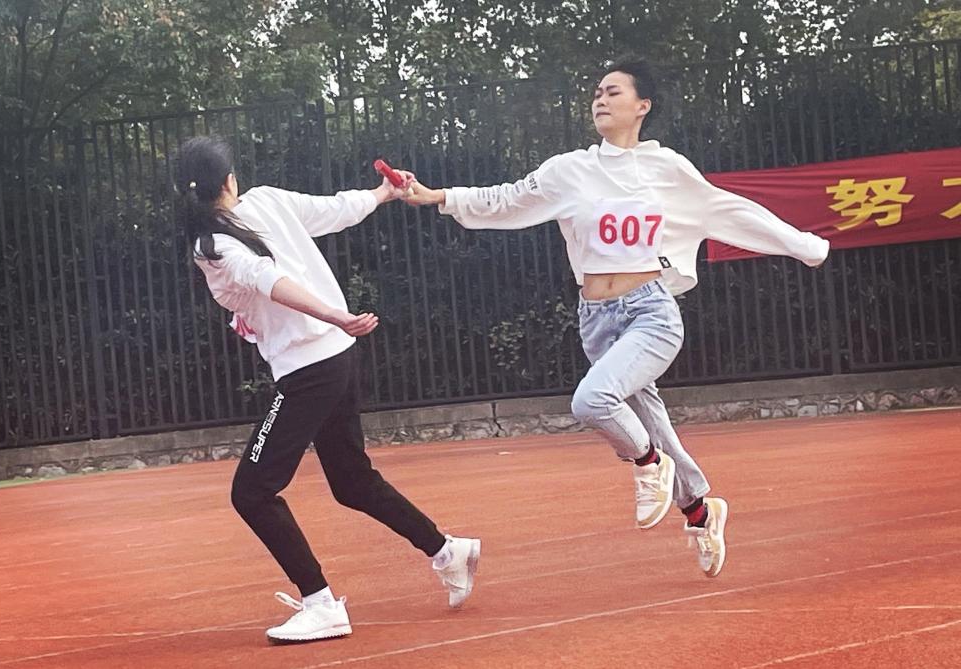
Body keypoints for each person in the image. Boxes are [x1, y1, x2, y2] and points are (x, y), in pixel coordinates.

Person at [403, 61, 829, 578]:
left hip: (650, 312)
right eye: (597, 93)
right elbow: (507, 199)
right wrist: (439, 196)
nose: (600, 100)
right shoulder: (569, 170)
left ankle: (648, 465)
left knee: (592, 401)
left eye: (613, 92)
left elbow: (727, 210)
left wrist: (804, 246)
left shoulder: (667, 168)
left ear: (642, 106)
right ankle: (700, 512)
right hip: (596, 320)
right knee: (652, 423)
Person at [175, 136, 480, 645]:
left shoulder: (213, 246)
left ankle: (320, 604)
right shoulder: (264, 202)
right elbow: (335, 210)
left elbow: (269, 279)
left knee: (252, 492)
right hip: (336, 356)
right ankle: (447, 551)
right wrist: (381, 194)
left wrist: (333, 314)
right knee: (352, 481)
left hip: (311, 367)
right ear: (229, 180)